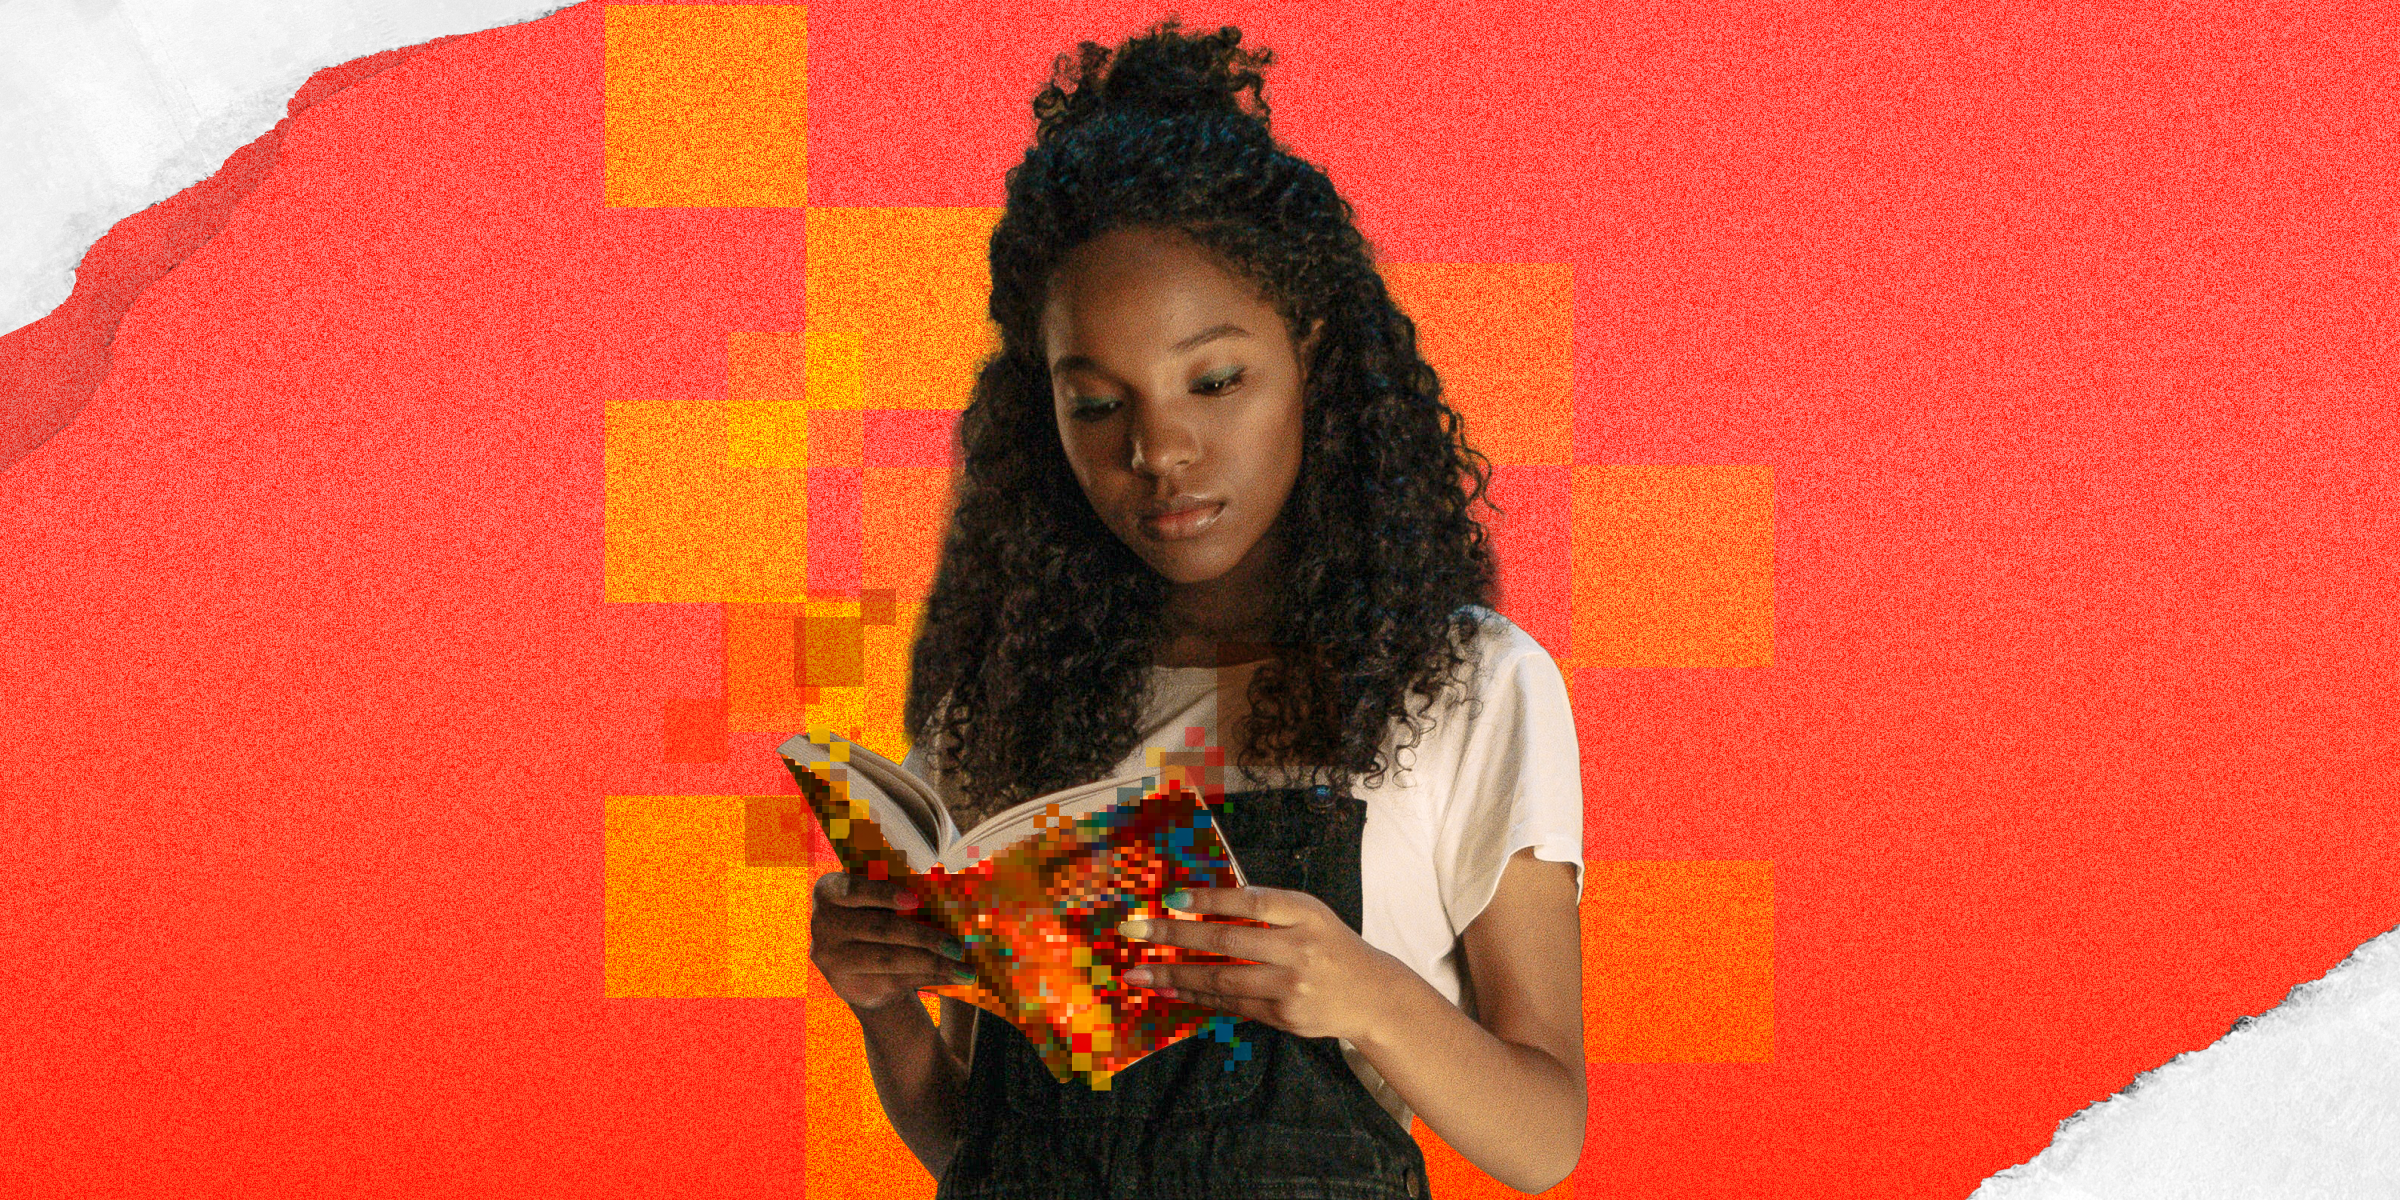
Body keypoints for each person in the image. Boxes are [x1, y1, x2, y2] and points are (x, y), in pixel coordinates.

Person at [807, 19, 1586, 1198]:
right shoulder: (1009, 704)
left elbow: (1546, 1137)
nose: (1160, 451)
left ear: (1313, 353)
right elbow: (985, 1146)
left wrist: (1364, 993)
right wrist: (884, 1011)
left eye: (1214, 381)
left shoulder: (1466, 685)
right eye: (1095, 406)